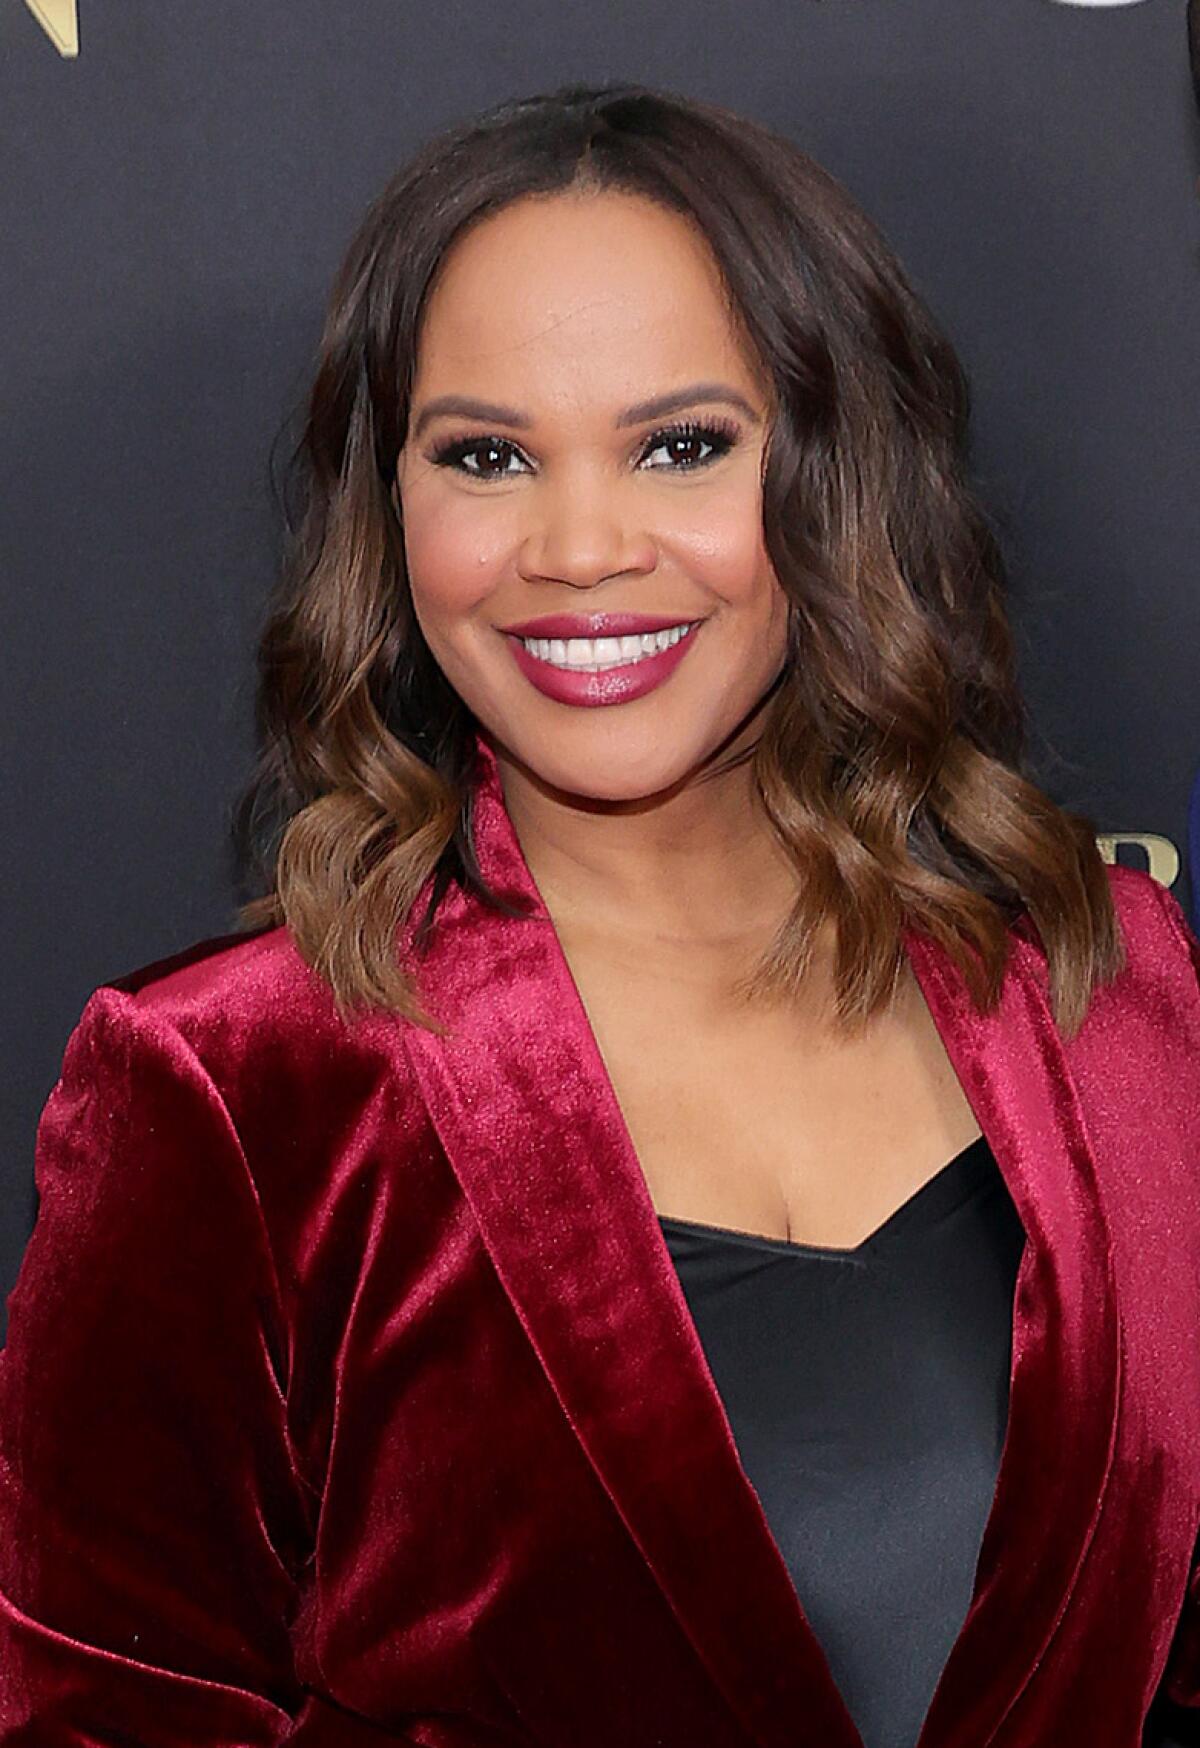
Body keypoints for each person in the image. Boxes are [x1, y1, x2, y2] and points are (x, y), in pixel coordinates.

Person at [1, 80, 1198, 1748]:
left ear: (832, 476)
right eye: (486, 455)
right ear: (390, 511)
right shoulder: (233, 1092)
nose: (577, 545)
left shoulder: (1120, 996)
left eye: (682, 444)